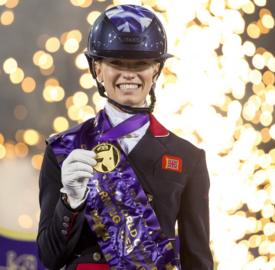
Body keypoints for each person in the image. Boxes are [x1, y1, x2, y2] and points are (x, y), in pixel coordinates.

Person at [37, 4, 213, 270]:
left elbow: (197, 261)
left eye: (140, 63)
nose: (128, 73)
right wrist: (70, 201)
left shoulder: (188, 158)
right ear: (97, 70)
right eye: (116, 62)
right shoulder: (63, 149)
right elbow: (49, 257)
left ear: (156, 70)